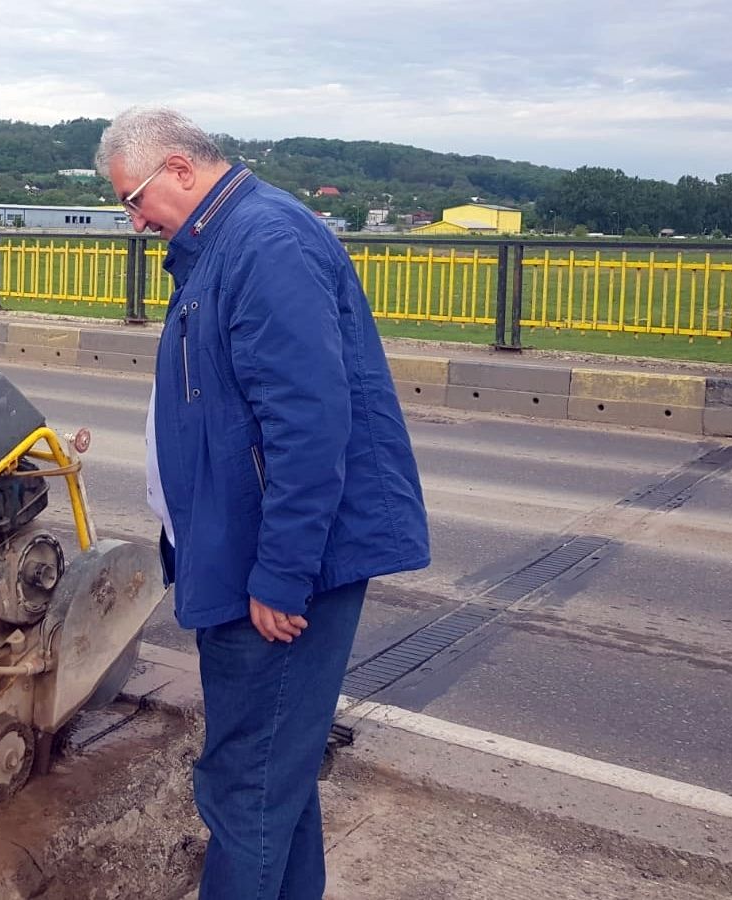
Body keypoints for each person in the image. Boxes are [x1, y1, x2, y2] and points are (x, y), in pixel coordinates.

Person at [96, 108, 430, 899]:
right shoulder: (221, 243)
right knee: (275, 773)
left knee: (244, 785)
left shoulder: (264, 242)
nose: (135, 223)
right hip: (234, 554)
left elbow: (309, 428)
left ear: (180, 168)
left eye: (135, 199)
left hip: (270, 575)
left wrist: (283, 574)